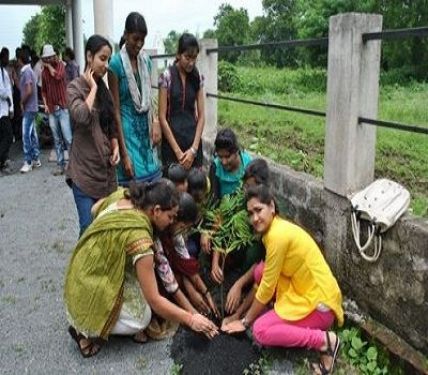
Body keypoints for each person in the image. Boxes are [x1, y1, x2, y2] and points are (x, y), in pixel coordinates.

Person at [64, 179, 218, 358]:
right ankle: (86, 331)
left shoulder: (122, 194)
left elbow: (94, 209)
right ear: (157, 210)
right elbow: (154, 299)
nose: (171, 222)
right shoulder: (140, 239)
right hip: (89, 287)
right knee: (142, 318)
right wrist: (191, 319)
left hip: (81, 268)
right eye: (171, 217)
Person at [222, 184, 344, 375]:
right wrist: (238, 314)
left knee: (260, 330)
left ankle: (325, 341)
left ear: (271, 206)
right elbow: (266, 277)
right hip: (308, 290)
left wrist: (244, 322)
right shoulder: (277, 228)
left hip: (320, 306)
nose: (254, 218)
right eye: (250, 213)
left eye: (258, 210)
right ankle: (276, 313)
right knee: (260, 271)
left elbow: (267, 287)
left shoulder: (277, 236)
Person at [66, 35, 120, 237]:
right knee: (88, 229)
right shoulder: (74, 87)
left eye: (108, 60)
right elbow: (80, 115)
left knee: (105, 228)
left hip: (104, 174)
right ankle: (82, 268)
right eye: (102, 58)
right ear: (89, 56)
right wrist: (93, 88)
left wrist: (115, 146)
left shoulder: (105, 91)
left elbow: (110, 124)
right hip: (83, 174)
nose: (105, 65)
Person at [108, 12, 162, 186]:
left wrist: (155, 121)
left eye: (143, 40)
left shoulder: (145, 61)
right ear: (125, 35)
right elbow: (115, 110)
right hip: (127, 136)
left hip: (145, 134)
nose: (139, 44)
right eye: (135, 38)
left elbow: (150, 95)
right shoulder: (115, 65)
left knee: (154, 188)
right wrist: (124, 155)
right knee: (135, 191)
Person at [158, 33, 205, 170]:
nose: (191, 63)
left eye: (194, 58)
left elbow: (201, 116)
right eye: (187, 57)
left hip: (193, 142)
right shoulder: (166, 77)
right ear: (178, 55)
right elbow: (162, 117)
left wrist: (194, 150)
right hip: (172, 145)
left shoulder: (198, 78)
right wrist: (178, 153)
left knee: (195, 188)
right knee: (173, 188)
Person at [41, 43, 73, 176]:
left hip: (63, 108)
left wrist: (48, 66)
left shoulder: (61, 66)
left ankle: (72, 166)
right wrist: (46, 105)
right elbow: (43, 90)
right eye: (46, 58)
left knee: (68, 138)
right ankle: (60, 166)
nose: (48, 60)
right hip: (52, 110)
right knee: (57, 139)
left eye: (50, 57)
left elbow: (58, 77)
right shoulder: (43, 73)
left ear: (54, 56)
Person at [209, 128, 252, 202]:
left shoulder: (249, 165)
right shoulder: (215, 167)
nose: (224, 162)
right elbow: (214, 197)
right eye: (220, 157)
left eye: (227, 157)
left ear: (237, 151)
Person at [17, 47, 41, 173]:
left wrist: (21, 102)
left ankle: (28, 161)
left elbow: (29, 90)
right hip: (33, 107)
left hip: (29, 107)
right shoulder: (30, 71)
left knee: (26, 134)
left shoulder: (26, 72)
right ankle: (36, 158)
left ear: (19, 60)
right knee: (32, 134)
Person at [0, 47, 14, 173]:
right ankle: (2, 159)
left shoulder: (3, 71)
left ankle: (3, 161)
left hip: (4, 109)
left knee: (4, 136)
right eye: (6, 57)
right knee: (9, 136)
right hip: (2, 110)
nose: (8, 60)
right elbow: (2, 91)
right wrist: (9, 100)